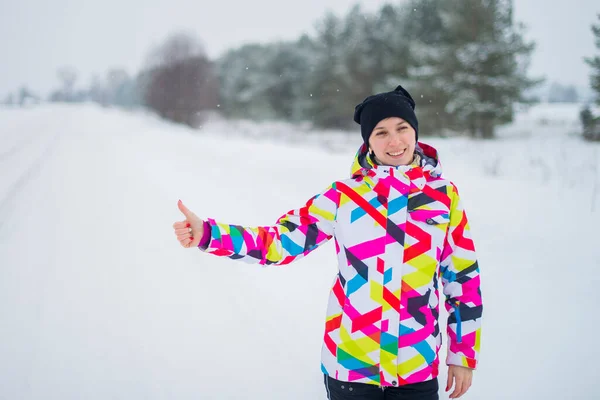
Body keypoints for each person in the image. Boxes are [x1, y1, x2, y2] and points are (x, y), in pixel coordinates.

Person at [172, 85, 483, 400]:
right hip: (351, 367)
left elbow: (462, 279)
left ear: (415, 132)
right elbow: (279, 243)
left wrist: (463, 355)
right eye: (381, 132)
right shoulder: (344, 197)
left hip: (417, 367)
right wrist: (209, 234)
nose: (394, 141)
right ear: (368, 142)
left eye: (402, 129)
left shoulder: (444, 197)